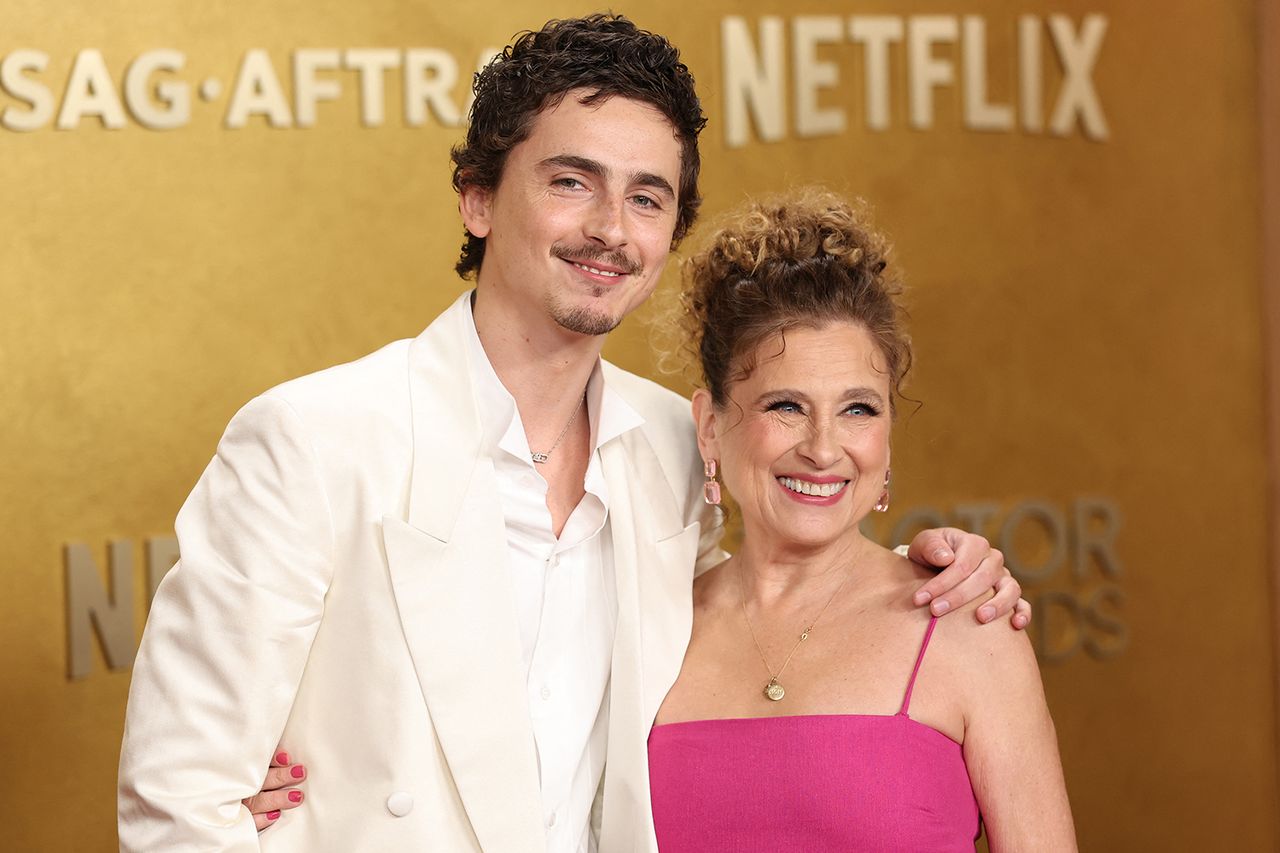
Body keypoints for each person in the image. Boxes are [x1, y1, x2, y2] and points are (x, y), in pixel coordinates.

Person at [117, 15, 1027, 852]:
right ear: (478, 198)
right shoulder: (313, 441)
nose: (608, 230)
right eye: (570, 182)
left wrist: (939, 569)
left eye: (646, 197)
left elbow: (785, 597)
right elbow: (180, 799)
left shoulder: (677, 450)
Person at [646, 190, 1076, 851]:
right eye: (786, 405)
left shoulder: (967, 623)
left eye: (858, 410)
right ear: (710, 425)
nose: (823, 447)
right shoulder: (647, 631)